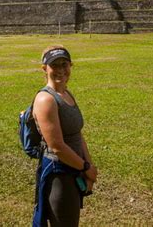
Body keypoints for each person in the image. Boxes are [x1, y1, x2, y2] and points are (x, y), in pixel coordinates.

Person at [32, 45, 98, 227]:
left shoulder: (66, 93)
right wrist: (85, 167)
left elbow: (77, 134)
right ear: (44, 69)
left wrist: (89, 166)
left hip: (75, 169)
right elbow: (57, 147)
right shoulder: (46, 100)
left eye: (65, 64)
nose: (61, 70)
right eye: (55, 65)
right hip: (59, 174)